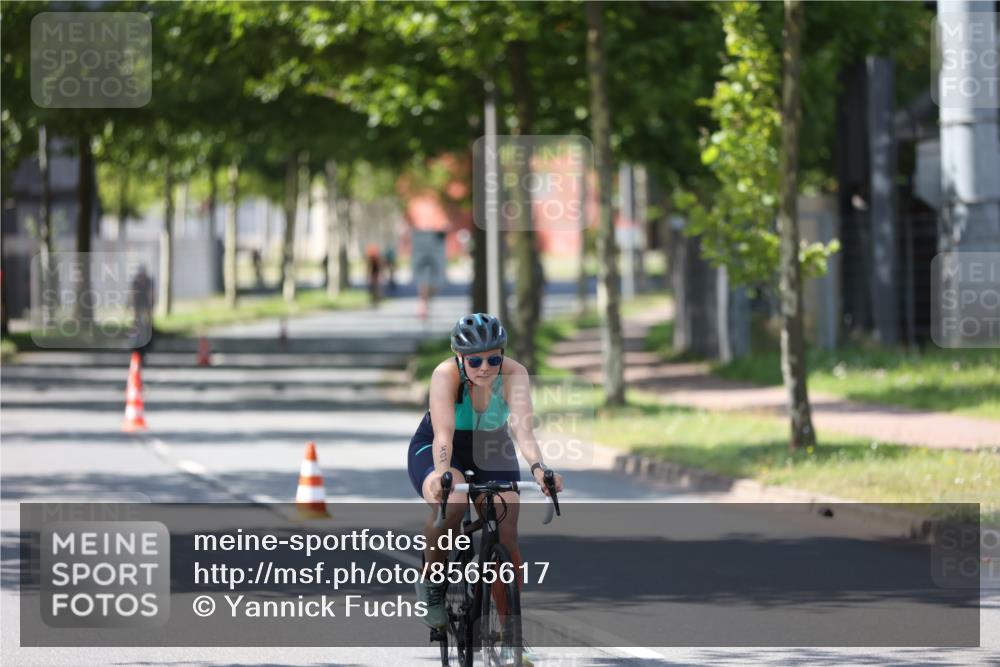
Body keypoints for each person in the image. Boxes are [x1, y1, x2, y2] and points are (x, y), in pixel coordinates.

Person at [408, 313, 564, 636]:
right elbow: (443, 435)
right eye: (475, 360)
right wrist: (442, 475)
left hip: (491, 445)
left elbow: (523, 431)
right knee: (451, 502)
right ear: (459, 358)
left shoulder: (514, 374)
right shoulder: (444, 375)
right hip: (440, 446)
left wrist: (539, 469)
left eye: (493, 358)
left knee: (507, 526)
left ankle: (511, 633)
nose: (484, 368)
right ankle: (431, 584)